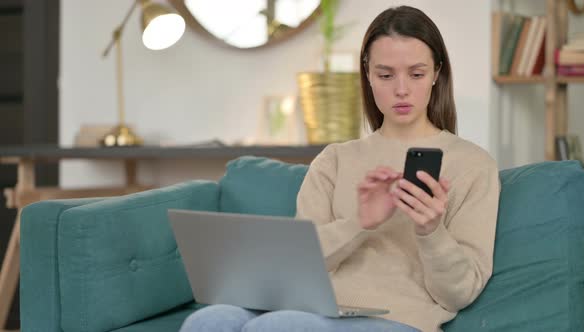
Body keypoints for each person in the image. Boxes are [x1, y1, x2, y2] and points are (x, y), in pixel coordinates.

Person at [179, 5, 500, 332]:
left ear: (436, 74)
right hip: (318, 311)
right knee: (210, 319)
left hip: (398, 320)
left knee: (276, 327)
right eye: (386, 75)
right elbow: (297, 268)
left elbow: (459, 293)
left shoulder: (473, 165)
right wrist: (359, 222)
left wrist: (431, 230)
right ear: (368, 76)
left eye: (416, 74)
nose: (401, 89)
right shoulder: (334, 160)